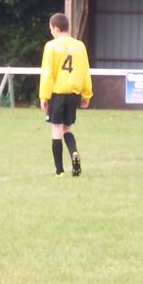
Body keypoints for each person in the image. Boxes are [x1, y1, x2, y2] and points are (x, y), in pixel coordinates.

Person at [39, 12, 92, 178]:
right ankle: (74, 153)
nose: (51, 33)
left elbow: (48, 73)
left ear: (56, 28)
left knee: (56, 130)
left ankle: (59, 171)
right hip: (73, 94)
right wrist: (86, 94)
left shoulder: (51, 46)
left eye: (51, 30)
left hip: (57, 93)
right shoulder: (80, 46)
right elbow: (85, 71)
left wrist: (44, 96)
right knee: (67, 128)